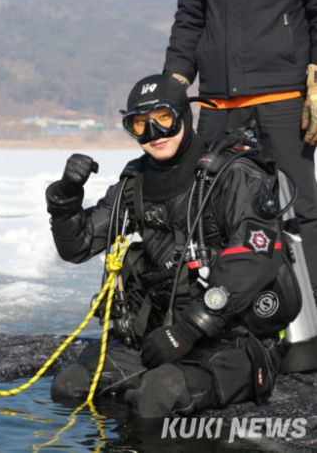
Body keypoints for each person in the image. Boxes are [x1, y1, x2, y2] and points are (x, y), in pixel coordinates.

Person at [45, 74, 302, 417]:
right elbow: (77, 247)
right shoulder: (135, 183)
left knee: (155, 399)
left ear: (184, 115)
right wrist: (64, 201)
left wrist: (189, 328)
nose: (154, 135)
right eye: (140, 125)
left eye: (163, 120)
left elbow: (254, 256)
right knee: (69, 388)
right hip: (161, 335)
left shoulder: (233, 175)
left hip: (232, 338)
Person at [163, 0, 317, 295]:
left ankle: (309, 297)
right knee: (206, 205)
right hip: (218, 103)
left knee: (299, 207)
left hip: (283, 96)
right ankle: (218, 300)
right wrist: (172, 84)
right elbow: (190, 21)